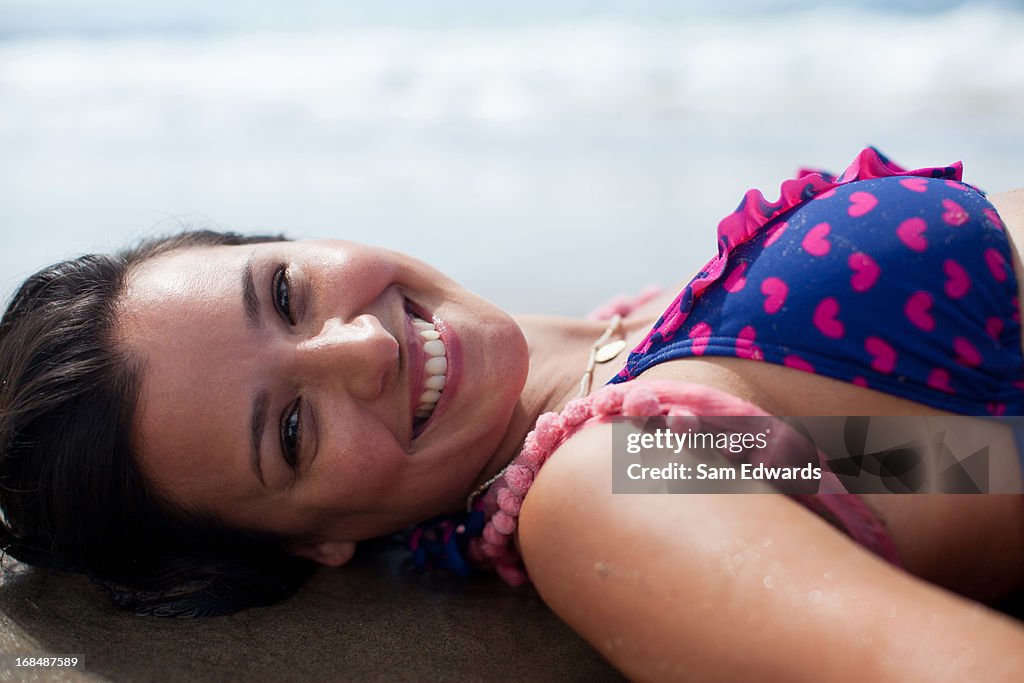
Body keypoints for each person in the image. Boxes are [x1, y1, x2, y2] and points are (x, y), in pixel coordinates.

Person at [2, 148, 1024, 679]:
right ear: (312, 540)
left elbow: (932, 459)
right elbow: (969, 485)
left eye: (281, 293)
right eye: (290, 430)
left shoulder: (628, 354)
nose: (359, 348)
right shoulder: (613, 476)